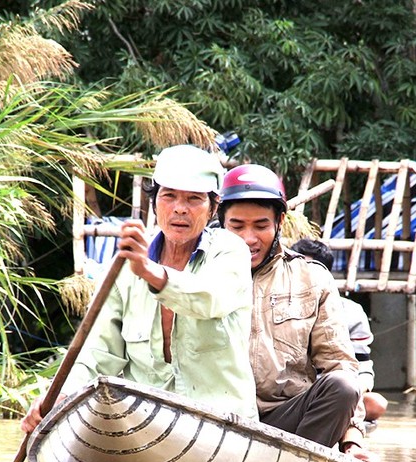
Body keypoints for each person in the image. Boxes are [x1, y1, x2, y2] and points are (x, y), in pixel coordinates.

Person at [21, 144, 257, 432]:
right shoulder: (123, 268)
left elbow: (210, 298)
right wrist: (57, 396)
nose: (180, 208)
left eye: (194, 199)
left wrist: (151, 272)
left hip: (221, 426)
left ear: (213, 207)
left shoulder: (230, 252)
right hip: (145, 425)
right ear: (154, 201)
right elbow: (97, 353)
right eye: (169, 196)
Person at [217, 163, 380, 462]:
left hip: (286, 421)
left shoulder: (311, 278)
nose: (248, 238)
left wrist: (353, 441)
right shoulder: (198, 272)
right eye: (237, 226)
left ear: (279, 222)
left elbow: (339, 364)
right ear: (221, 223)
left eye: (260, 225)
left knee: (344, 385)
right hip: (216, 415)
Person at [289, 238, 388, 422]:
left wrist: (355, 390)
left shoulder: (350, 311)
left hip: (328, 389)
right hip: (285, 392)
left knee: (376, 404)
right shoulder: (272, 302)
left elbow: (362, 365)